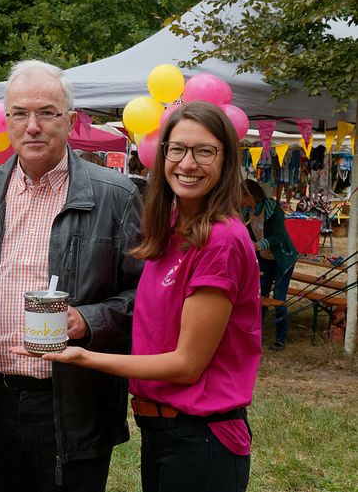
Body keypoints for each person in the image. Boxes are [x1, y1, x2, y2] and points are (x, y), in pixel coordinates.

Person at [18, 101, 261, 492]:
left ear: (226, 160)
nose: (188, 163)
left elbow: (186, 365)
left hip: (202, 438)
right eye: (177, 149)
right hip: (162, 430)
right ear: (162, 155)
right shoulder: (170, 227)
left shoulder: (221, 241)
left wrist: (84, 357)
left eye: (205, 151)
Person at [0, 59, 144, 492]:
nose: (32, 126)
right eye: (20, 113)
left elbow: (144, 294)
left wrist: (89, 319)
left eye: (47, 112)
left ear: (71, 121)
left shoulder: (115, 195)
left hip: (73, 401)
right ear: (7, 121)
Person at [242, 178, 298, 350]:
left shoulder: (273, 211)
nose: (238, 199)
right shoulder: (246, 211)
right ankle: (257, 333)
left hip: (282, 258)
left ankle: (280, 338)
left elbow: (279, 238)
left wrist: (258, 245)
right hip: (265, 258)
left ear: (250, 195)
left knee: (279, 299)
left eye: (241, 196)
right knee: (261, 295)